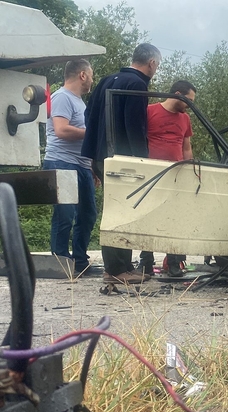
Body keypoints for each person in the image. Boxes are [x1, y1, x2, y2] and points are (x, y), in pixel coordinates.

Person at [81, 43, 161, 285]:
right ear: (152, 64)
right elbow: (136, 127)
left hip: (99, 156)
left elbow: (87, 115)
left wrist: (95, 152)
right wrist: (143, 162)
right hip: (125, 161)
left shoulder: (106, 80)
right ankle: (118, 269)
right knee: (123, 213)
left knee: (114, 210)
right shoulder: (137, 85)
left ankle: (117, 267)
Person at [137, 80, 197, 278]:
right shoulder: (149, 111)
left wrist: (190, 171)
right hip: (152, 174)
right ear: (177, 94)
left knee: (174, 218)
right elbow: (139, 139)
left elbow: (186, 146)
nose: (189, 104)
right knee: (148, 217)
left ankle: (173, 262)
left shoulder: (185, 119)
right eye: (188, 100)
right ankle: (146, 262)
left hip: (176, 174)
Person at [43, 59, 97, 277]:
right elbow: (61, 130)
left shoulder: (80, 103)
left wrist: (92, 167)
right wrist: (93, 134)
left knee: (88, 213)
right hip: (61, 162)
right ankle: (61, 261)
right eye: (91, 75)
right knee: (65, 214)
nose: (92, 80)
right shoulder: (62, 97)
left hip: (81, 165)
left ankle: (80, 261)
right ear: (82, 75)